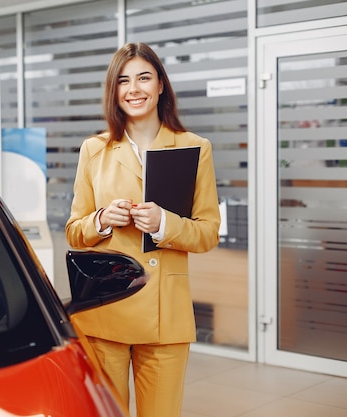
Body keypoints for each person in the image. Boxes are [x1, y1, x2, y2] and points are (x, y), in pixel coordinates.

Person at [65, 42, 221, 417]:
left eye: (143, 78)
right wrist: (102, 219)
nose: (134, 89)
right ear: (114, 91)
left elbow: (208, 232)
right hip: (107, 311)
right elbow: (74, 230)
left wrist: (165, 224)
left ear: (161, 84)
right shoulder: (95, 149)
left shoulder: (195, 148)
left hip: (165, 317)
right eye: (123, 81)